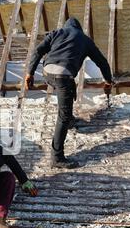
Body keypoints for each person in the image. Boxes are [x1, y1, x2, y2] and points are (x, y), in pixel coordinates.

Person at [25, 17, 113, 169]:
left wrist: (29, 73)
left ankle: (71, 119)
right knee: (63, 116)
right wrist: (108, 81)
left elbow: (38, 50)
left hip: (47, 73)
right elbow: (102, 62)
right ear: (79, 29)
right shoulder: (85, 40)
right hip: (63, 76)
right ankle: (56, 157)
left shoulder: (56, 33)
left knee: (67, 86)